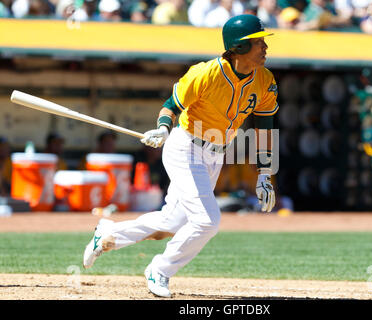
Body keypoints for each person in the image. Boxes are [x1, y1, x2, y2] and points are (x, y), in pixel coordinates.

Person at [83, 14, 278, 298]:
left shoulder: (265, 80)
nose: (264, 46)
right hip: (186, 148)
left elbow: (265, 126)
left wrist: (264, 172)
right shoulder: (205, 73)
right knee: (207, 222)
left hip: (216, 155)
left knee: (172, 222)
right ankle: (159, 270)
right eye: (257, 41)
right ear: (237, 47)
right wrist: (163, 129)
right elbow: (171, 105)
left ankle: (109, 235)